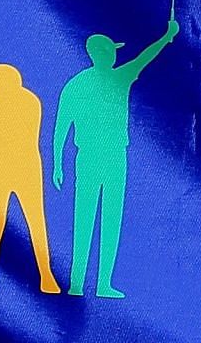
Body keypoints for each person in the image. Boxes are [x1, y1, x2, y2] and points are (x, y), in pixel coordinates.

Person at [51, 21, 178, 299]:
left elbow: (61, 128)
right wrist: (166, 36)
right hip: (100, 157)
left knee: (103, 217)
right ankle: (80, 283)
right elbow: (61, 126)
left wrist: (58, 163)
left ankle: (98, 283)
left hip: (105, 157)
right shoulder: (110, 80)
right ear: (103, 54)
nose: (115, 55)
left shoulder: (78, 84)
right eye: (111, 51)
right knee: (93, 217)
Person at [0, 62, 61, 293]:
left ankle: (45, 274)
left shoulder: (27, 101)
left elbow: (28, 137)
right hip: (5, 168)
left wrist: (2, 164)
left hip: (23, 168)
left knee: (34, 221)